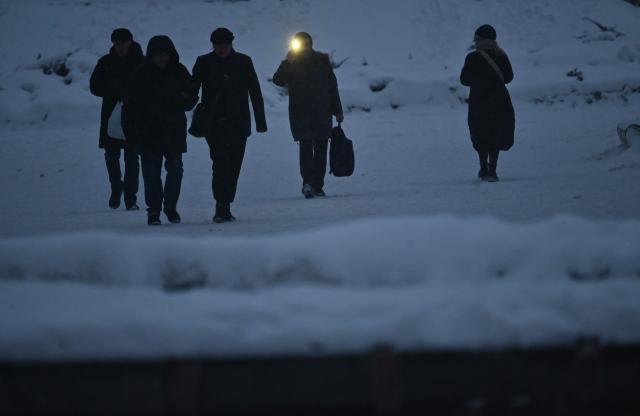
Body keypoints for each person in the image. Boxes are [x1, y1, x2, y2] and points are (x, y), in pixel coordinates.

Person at [192, 28, 267, 223]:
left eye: (225, 45)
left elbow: (255, 92)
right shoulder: (204, 62)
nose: (222, 49)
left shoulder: (243, 61)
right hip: (214, 124)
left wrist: (261, 122)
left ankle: (226, 203)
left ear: (231, 44)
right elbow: (192, 89)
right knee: (220, 164)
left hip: (238, 124)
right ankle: (220, 205)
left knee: (234, 166)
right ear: (213, 45)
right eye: (218, 45)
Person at [124, 36, 199, 225]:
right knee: (151, 174)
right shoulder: (140, 74)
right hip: (147, 132)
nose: (162, 59)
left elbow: (191, 97)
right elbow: (129, 105)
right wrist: (130, 132)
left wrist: (181, 99)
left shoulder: (179, 71)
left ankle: (170, 206)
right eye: (158, 55)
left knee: (175, 171)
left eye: (165, 54)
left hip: (173, 131)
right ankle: (154, 210)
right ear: (151, 56)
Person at [272, 32, 344, 199]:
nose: (303, 47)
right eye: (299, 44)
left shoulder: (322, 60)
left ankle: (318, 185)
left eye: (305, 43)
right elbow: (278, 80)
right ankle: (308, 183)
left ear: (310, 44)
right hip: (301, 112)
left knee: (320, 148)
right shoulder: (292, 62)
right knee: (305, 148)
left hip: (321, 111)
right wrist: (286, 63)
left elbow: (331, 87)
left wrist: (338, 110)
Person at [90, 28, 144, 210]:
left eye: (123, 43)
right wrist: (114, 90)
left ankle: (131, 198)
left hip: (135, 115)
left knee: (131, 158)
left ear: (130, 42)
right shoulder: (105, 62)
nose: (120, 47)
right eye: (117, 43)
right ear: (113, 44)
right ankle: (116, 186)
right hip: (110, 114)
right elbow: (94, 86)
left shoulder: (141, 63)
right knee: (111, 155)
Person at [460, 24, 515, 182]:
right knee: (496, 132)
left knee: (480, 133)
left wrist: (479, 80)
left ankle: (483, 168)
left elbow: (464, 80)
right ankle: (492, 170)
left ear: (479, 39)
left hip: (479, 101)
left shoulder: (472, 57)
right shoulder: (501, 55)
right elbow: (509, 77)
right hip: (499, 100)